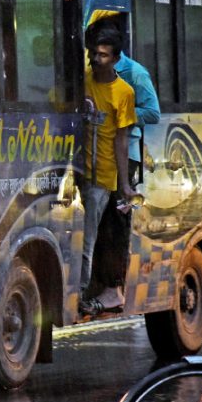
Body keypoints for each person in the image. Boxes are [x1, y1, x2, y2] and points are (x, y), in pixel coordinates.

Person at [79, 23, 137, 316]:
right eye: (93, 53)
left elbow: (122, 139)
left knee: (88, 241)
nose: (95, 59)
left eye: (102, 55)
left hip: (101, 178)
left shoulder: (123, 93)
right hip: (75, 173)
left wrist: (124, 185)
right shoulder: (82, 81)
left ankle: (79, 297)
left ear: (115, 59)